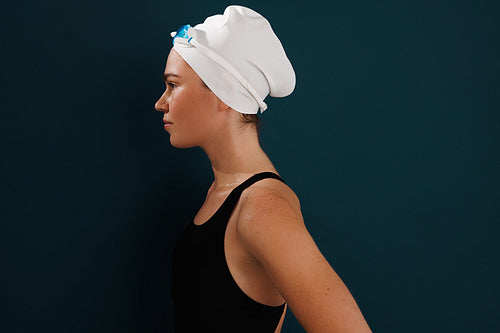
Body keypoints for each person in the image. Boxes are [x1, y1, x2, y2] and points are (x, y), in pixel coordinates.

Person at [155, 6, 372, 333]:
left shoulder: (262, 209)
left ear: (222, 94)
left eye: (173, 85)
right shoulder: (222, 194)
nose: (161, 102)